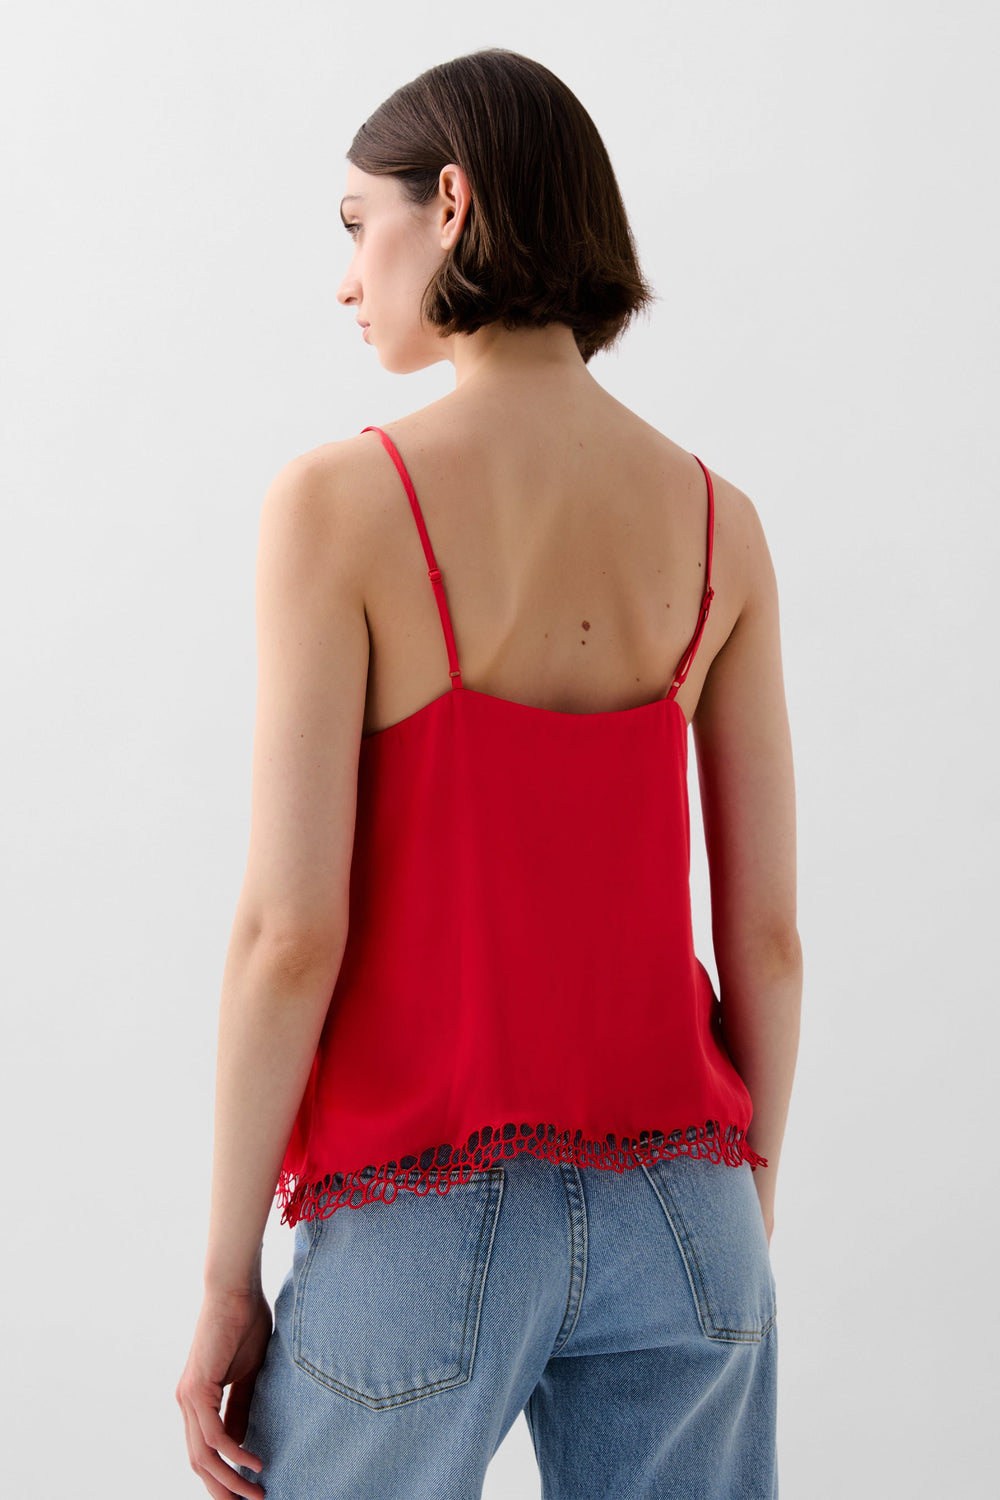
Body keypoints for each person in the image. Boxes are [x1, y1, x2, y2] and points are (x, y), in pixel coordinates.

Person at [176, 46, 801, 1500]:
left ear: (449, 203)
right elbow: (766, 938)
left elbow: (290, 935)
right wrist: (740, 1206)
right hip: (689, 1205)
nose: (346, 277)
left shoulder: (338, 504)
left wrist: (223, 1275)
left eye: (358, 223)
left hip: (425, 1207)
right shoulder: (725, 525)